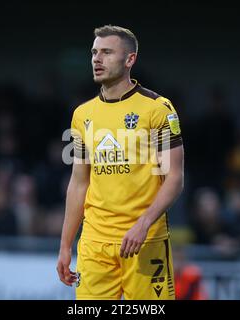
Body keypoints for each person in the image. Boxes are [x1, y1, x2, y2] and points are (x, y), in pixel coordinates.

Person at [56, 25, 184, 300]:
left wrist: (144, 223)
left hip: (144, 240)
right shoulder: (82, 115)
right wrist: (66, 245)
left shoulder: (158, 109)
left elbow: (174, 178)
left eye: (106, 52)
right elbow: (79, 182)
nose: (96, 59)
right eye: (93, 53)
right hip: (94, 244)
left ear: (130, 59)